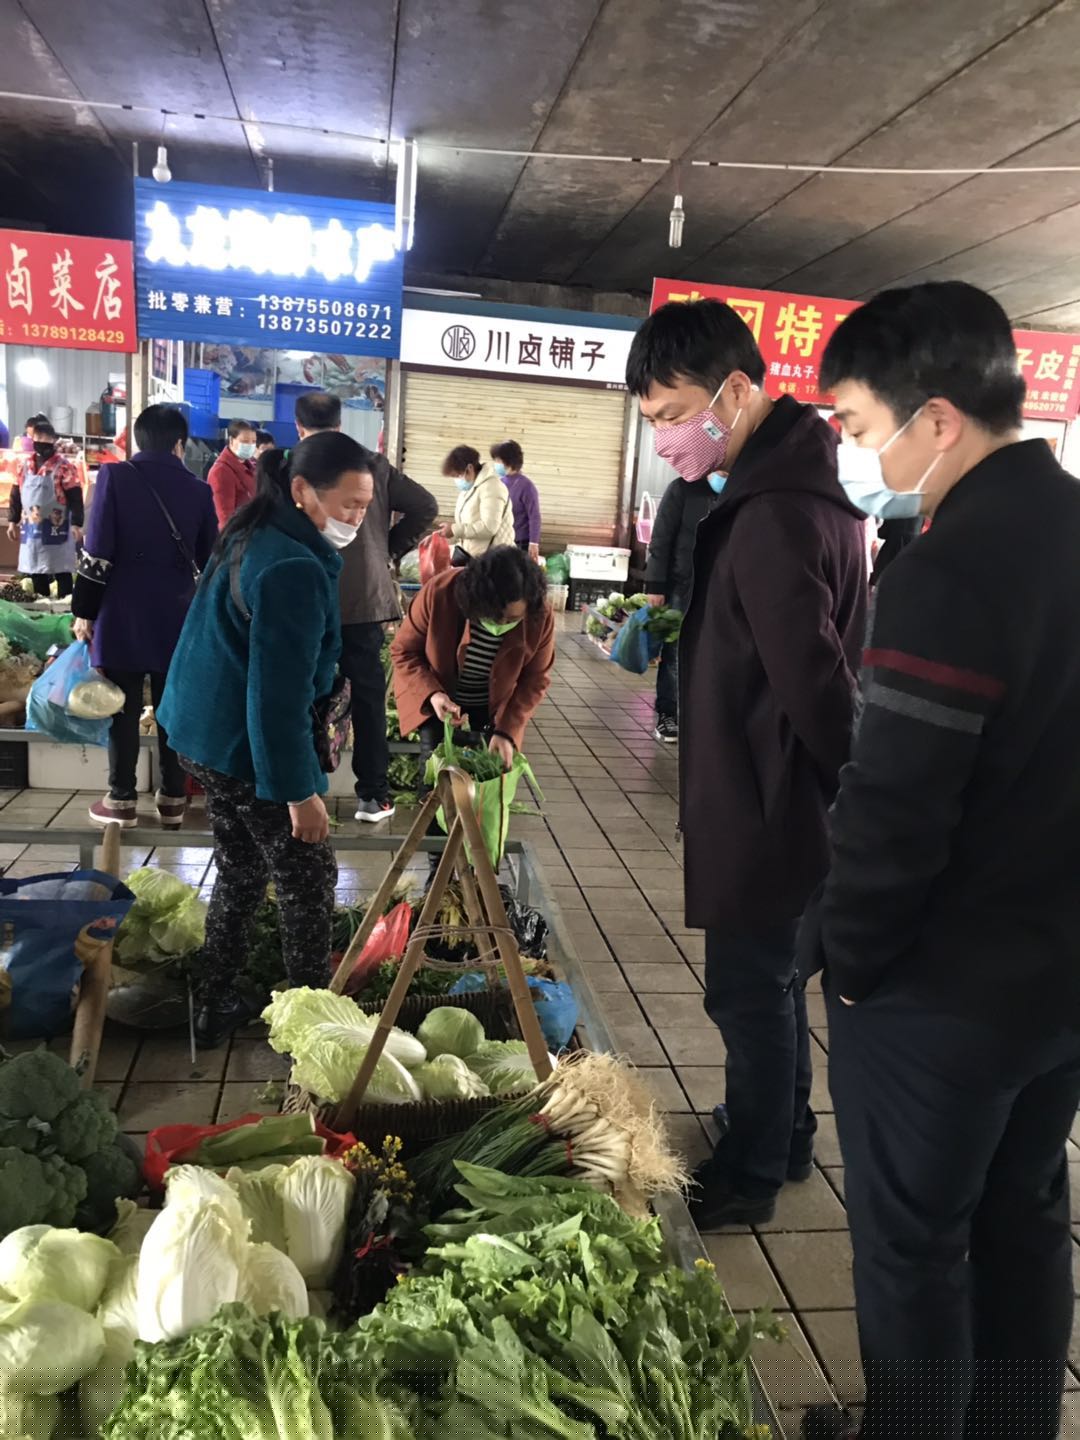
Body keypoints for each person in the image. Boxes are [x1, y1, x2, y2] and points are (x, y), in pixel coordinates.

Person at [797, 282, 1080, 1440]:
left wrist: (852, 961)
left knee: (914, 1250)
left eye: (861, 426)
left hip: (941, 995)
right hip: (1059, 983)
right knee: (1023, 1219)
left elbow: (895, 806)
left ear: (940, 418)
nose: (861, 454)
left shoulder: (949, 568)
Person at [625, 298, 867, 1231]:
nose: (664, 440)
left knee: (747, 991)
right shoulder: (807, 492)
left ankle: (753, 1170)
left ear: (733, 389)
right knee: (771, 983)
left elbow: (816, 687)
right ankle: (787, 1133)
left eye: (669, 414)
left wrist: (851, 796)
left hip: (770, 802)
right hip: (787, 798)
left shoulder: (771, 516)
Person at [158, 432, 374, 1048]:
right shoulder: (291, 567)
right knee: (309, 878)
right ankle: (314, 1030)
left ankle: (215, 996)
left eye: (365, 505)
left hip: (202, 731)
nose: (357, 518)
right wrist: (300, 794)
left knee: (243, 868)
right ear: (303, 491)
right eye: (348, 504)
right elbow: (276, 700)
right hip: (240, 744)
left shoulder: (259, 531)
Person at [293, 391, 438, 824]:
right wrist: (385, 551)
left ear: (299, 427)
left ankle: (305, 788)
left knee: (304, 691)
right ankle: (374, 795)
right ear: (340, 424)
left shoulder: (291, 468)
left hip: (304, 597)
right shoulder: (372, 465)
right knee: (369, 696)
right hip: (364, 601)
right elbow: (425, 506)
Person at [72, 404, 218, 829]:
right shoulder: (199, 490)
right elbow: (211, 558)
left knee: (122, 706)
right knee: (174, 709)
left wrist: (84, 611)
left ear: (138, 439)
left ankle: (121, 800)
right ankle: (173, 799)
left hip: (123, 613)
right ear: (179, 443)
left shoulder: (114, 477)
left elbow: (97, 552)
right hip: (179, 617)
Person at [391, 544, 554, 803]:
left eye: (512, 620)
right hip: (439, 699)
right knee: (436, 784)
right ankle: (436, 839)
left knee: (486, 789)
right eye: (495, 617)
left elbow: (535, 680)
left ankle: (476, 842)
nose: (501, 625)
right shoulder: (440, 593)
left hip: (494, 706)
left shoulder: (539, 615)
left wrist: (506, 730)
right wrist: (433, 694)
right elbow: (404, 651)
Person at [643, 473, 721, 743]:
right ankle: (669, 714)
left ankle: (703, 717)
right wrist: (654, 585)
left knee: (715, 656)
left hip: (721, 590)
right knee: (674, 654)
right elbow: (661, 538)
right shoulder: (683, 489)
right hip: (681, 587)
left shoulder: (740, 488)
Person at [7, 419, 84, 597]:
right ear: (32, 439)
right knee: (36, 570)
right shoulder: (23, 465)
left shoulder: (65, 467)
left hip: (58, 526)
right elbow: (15, 494)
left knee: (62, 570)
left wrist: (77, 524)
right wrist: (12, 521)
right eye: (39, 437)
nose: (43, 441)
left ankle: (65, 607)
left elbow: (75, 497)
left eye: (47, 437)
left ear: (54, 440)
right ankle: (42, 605)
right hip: (31, 527)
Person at [438, 445, 514, 561]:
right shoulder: (471, 488)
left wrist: (454, 529)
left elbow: (489, 528)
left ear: (469, 468)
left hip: (494, 560)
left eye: (458, 475)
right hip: (476, 557)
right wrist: (450, 533)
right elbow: (469, 523)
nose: (457, 480)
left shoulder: (492, 487)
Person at [490, 439, 541, 560]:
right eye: (495, 460)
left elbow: (534, 517)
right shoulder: (499, 482)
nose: (496, 464)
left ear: (509, 461)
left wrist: (534, 543)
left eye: (498, 460)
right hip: (501, 541)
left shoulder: (526, 486)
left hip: (520, 542)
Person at [207, 419, 258, 527]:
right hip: (237, 538)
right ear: (231, 441)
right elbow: (225, 519)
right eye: (245, 441)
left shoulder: (251, 467)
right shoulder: (221, 472)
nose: (250, 445)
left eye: (253, 442)